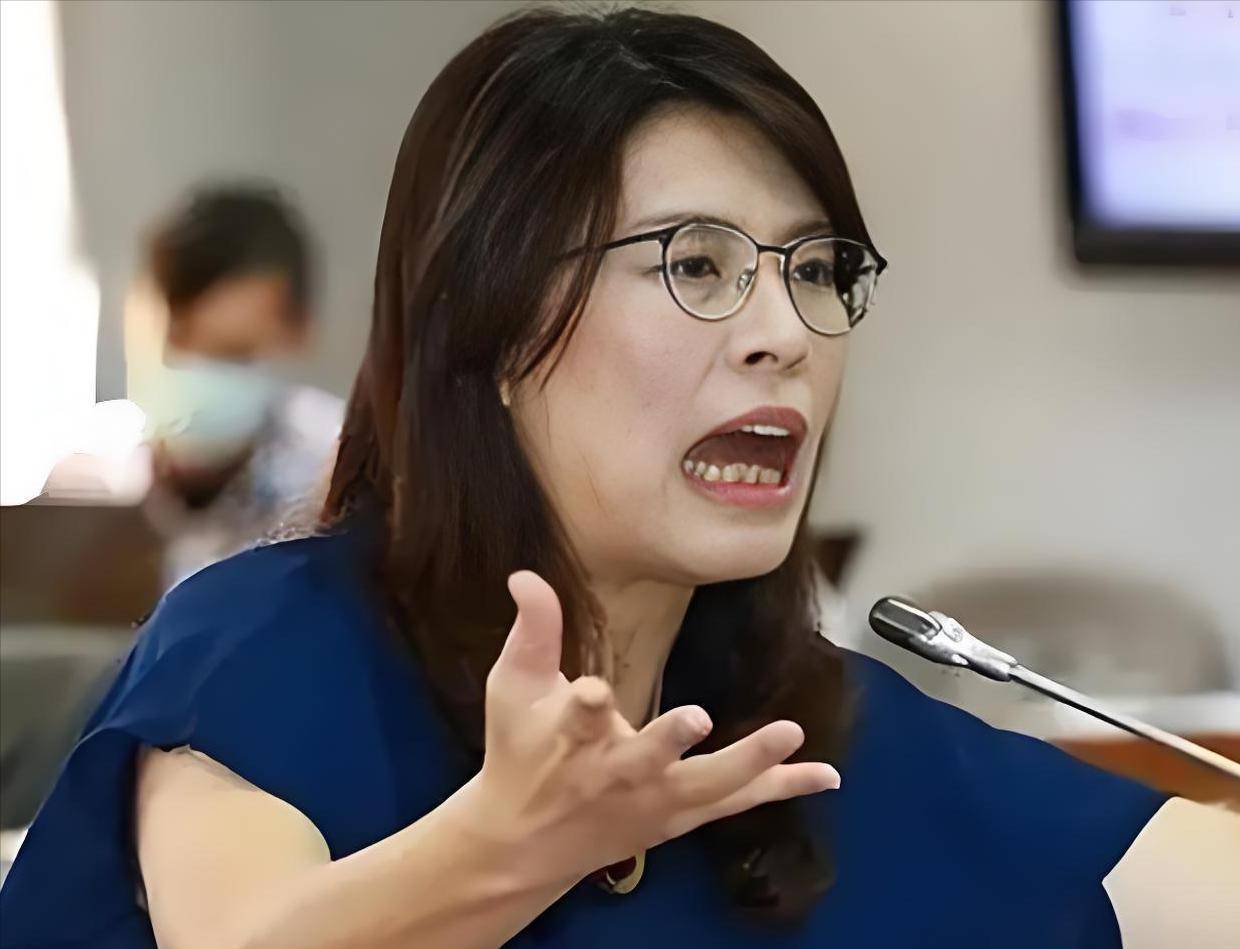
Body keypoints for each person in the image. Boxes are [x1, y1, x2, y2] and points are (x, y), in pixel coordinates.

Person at [1, 7, 1236, 948]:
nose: (785, 333)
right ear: (493, 332)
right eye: (695, 265)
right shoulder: (264, 644)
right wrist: (504, 849)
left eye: (816, 269)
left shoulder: (809, 735)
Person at [125, 185, 344, 586]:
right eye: (186, 345)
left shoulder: (333, 457)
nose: (208, 375)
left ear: (298, 330)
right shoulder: (106, 466)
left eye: (237, 354)